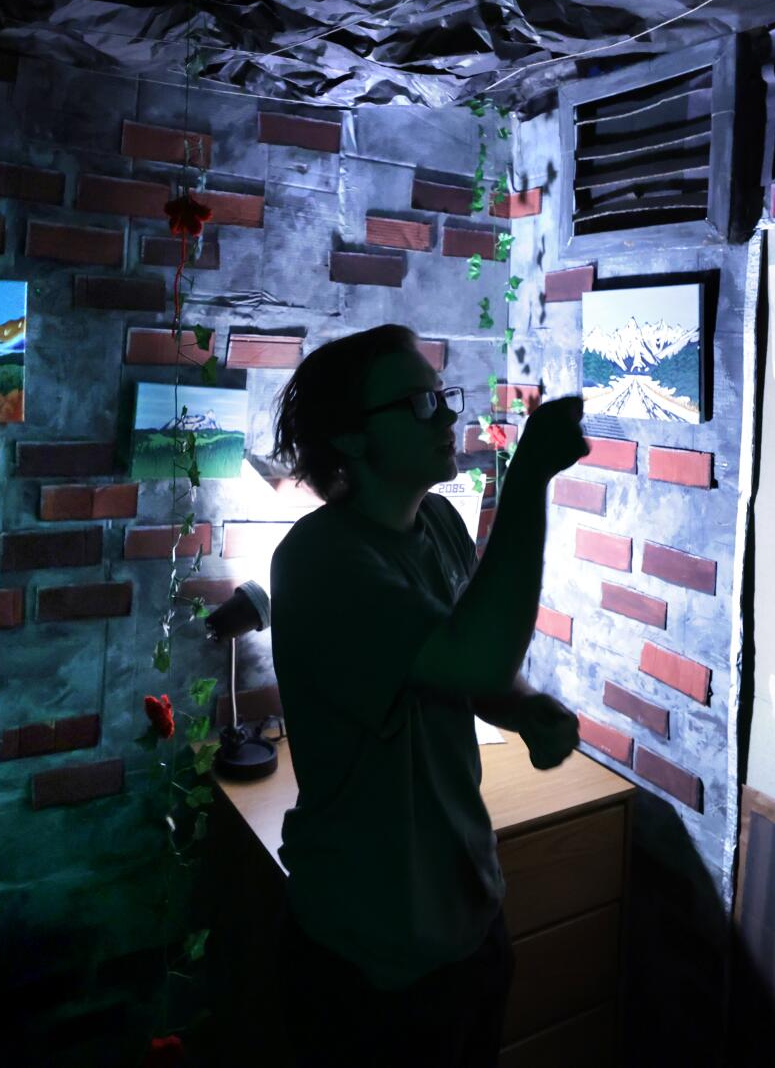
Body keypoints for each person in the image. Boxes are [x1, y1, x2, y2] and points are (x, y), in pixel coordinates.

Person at [266, 324, 590, 1067]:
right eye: (418, 403)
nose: (447, 416)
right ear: (349, 438)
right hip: (366, 955)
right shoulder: (321, 562)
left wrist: (519, 704)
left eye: (441, 396)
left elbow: (457, 664)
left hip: (467, 916)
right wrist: (529, 473)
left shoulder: (440, 523)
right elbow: (474, 657)